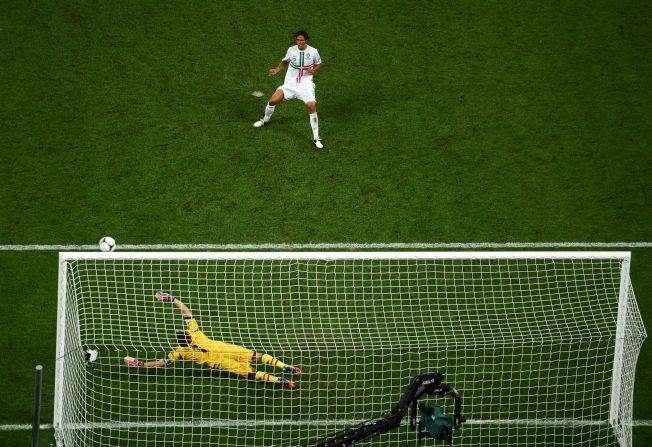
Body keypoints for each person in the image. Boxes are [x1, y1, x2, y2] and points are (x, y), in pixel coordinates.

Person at [123, 291, 301, 389]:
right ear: (187, 335)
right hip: (227, 349)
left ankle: (283, 381)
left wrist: (142, 364)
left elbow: (161, 363)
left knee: (251, 373)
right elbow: (185, 311)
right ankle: (286, 367)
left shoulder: (180, 352)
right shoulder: (195, 332)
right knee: (257, 356)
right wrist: (170, 299)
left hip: (221, 363)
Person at [253, 30, 324, 149]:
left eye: (301, 40)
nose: (299, 42)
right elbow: (285, 61)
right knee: (272, 101)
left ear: (306, 40)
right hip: (290, 84)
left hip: (305, 85)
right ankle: (265, 120)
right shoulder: (291, 50)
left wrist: (314, 70)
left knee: (311, 105)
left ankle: (316, 138)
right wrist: (276, 70)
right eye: (297, 40)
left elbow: (319, 63)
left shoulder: (313, 52)